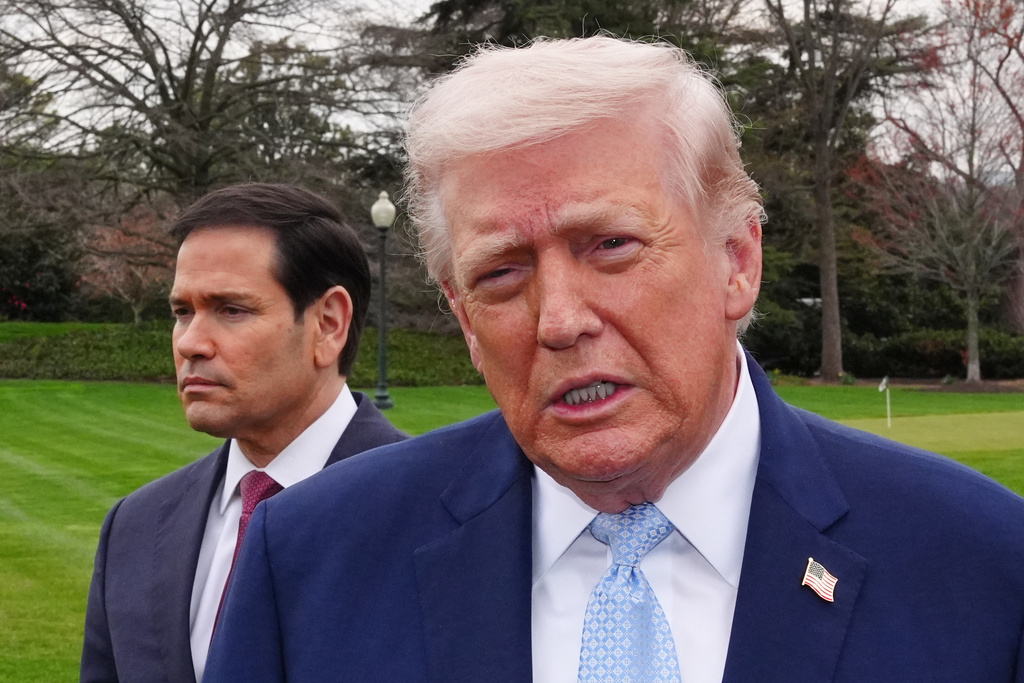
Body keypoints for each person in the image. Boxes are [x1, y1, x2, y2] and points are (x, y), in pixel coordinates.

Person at [205, 39, 1024, 683]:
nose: (559, 320)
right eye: (502, 272)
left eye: (611, 246)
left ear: (737, 261)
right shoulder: (310, 562)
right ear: (462, 317)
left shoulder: (983, 563)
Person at [79, 183, 406, 683]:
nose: (190, 342)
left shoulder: (437, 515)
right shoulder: (134, 527)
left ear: (328, 324)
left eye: (231, 310)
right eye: (182, 312)